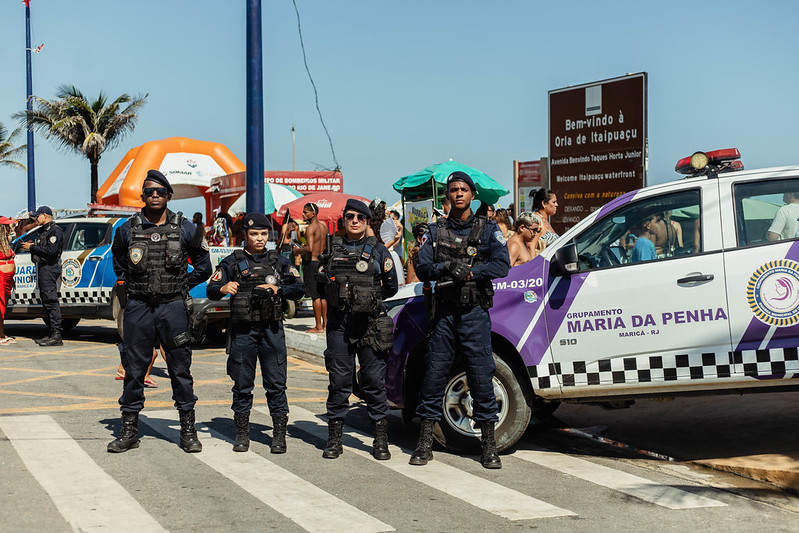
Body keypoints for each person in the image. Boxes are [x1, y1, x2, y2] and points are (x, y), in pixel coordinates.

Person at [107, 169, 212, 454]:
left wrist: (182, 284)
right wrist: (128, 283)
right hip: (139, 307)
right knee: (134, 368)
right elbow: (119, 260)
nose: (154, 195)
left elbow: (205, 265)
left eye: (160, 191)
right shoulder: (127, 229)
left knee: (180, 368)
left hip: (173, 307)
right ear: (142, 196)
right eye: (149, 192)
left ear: (168, 195)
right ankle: (129, 430)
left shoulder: (186, 228)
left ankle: (188, 430)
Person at [410, 171, 510, 469]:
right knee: (433, 377)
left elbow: (501, 265)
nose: (458, 194)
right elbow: (423, 265)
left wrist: (470, 273)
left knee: (481, 376)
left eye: (464, 189)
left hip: (474, 313)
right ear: (447, 196)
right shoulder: (434, 229)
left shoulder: (488, 228)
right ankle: (424, 443)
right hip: (443, 314)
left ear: (472, 194)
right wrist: (447, 267)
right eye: (453, 190)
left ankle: (489, 446)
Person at [207, 212, 305, 454]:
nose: (259, 238)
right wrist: (223, 287)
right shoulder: (232, 262)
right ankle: (242, 434)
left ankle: (279, 435)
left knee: (276, 385)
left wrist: (277, 288)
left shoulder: (279, 261)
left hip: (271, 330)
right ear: (245, 235)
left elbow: (299, 288)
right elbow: (211, 289)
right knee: (242, 385)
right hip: (243, 332)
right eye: (254, 234)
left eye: (263, 234)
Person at [317, 198, 398, 460]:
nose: (354, 221)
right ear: (343, 220)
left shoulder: (379, 251)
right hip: (340, 324)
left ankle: (381, 440)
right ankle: (335, 439)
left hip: (370, 324)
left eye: (360, 218)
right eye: (350, 217)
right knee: (339, 382)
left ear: (366, 221)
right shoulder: (331, 250)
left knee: (374, 382)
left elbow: (391, 287)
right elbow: (319, 286)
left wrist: (367, 299)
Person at [20, 206, 64, 346]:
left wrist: (32, 248)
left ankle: (57, 335)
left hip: (49, 268)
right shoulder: (44, 231)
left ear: (45, 215)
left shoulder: (54, 231)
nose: (36, 219)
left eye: (38, 216)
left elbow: (51, 250)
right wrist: (33, 246)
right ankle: (51, 332)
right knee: (47, 301)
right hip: (43, 268)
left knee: (51, 301)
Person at [293, 203, 327, 333]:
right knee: (323, 295)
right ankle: (325, 325)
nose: (303, 215)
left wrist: (297, 251)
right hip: (322, 263)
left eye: (306, 212)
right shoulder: (323, 227)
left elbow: (310, 249)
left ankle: (318, 326)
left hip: (312, 263)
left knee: (315, 296)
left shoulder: (310, 229)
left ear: (313, 213)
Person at [0, 217, 16, 345]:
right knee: (0, 307)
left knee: (4, 307)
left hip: (7, 278)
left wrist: (12, 279)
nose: (10, 227)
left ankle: (2, 333)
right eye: (7, 225)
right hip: (1, 276)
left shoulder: (6, 241)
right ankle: (0, 336)